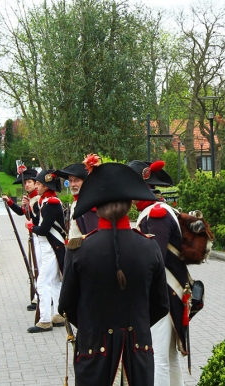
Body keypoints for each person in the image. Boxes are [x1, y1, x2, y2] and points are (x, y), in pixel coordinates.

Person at [59, 162, 169, 386]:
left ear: (95, 207)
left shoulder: (79, 249)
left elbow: (66, 306)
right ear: (129, 204)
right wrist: (134, 323)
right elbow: (160, 305)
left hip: (92, 353)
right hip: (138, 351)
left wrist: (92, 326)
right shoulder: (149, 247)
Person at [128, 159, 189, 386]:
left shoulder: (156, 214)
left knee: (158, 358)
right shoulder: (154, 210)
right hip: (168, 291)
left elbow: (156, 258)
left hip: (164, 292)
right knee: (169, 357)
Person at [26, 169, 67, 333]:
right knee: (54, 282)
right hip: (49, 245)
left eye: (38, 183)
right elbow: (41, 221)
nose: (36, 186)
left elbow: (43, 229)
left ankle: (44, 320)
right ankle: (58, 314)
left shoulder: (52, 203)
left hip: (52, 246)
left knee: (42, 282)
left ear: (45, 185)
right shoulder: (45, 202)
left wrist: (30, 227)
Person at [2, 167, 41, 311]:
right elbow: (22, 212)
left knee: (40, 268)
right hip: (33, 235)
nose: (26, 185)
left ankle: (40, 297)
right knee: (36, 267)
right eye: (25, 183)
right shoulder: (30, 198)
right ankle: (38, 296)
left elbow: (36, 218)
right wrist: (11, 203)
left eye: (29, 182)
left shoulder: (37, 199)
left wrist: (28, 208)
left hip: (39, 235)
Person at [53, 158, 98, 246]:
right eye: (70, 181)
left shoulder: (88, 204)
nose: (73, 184)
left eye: (77, 180)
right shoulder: (76, 202)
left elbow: (92, 237)